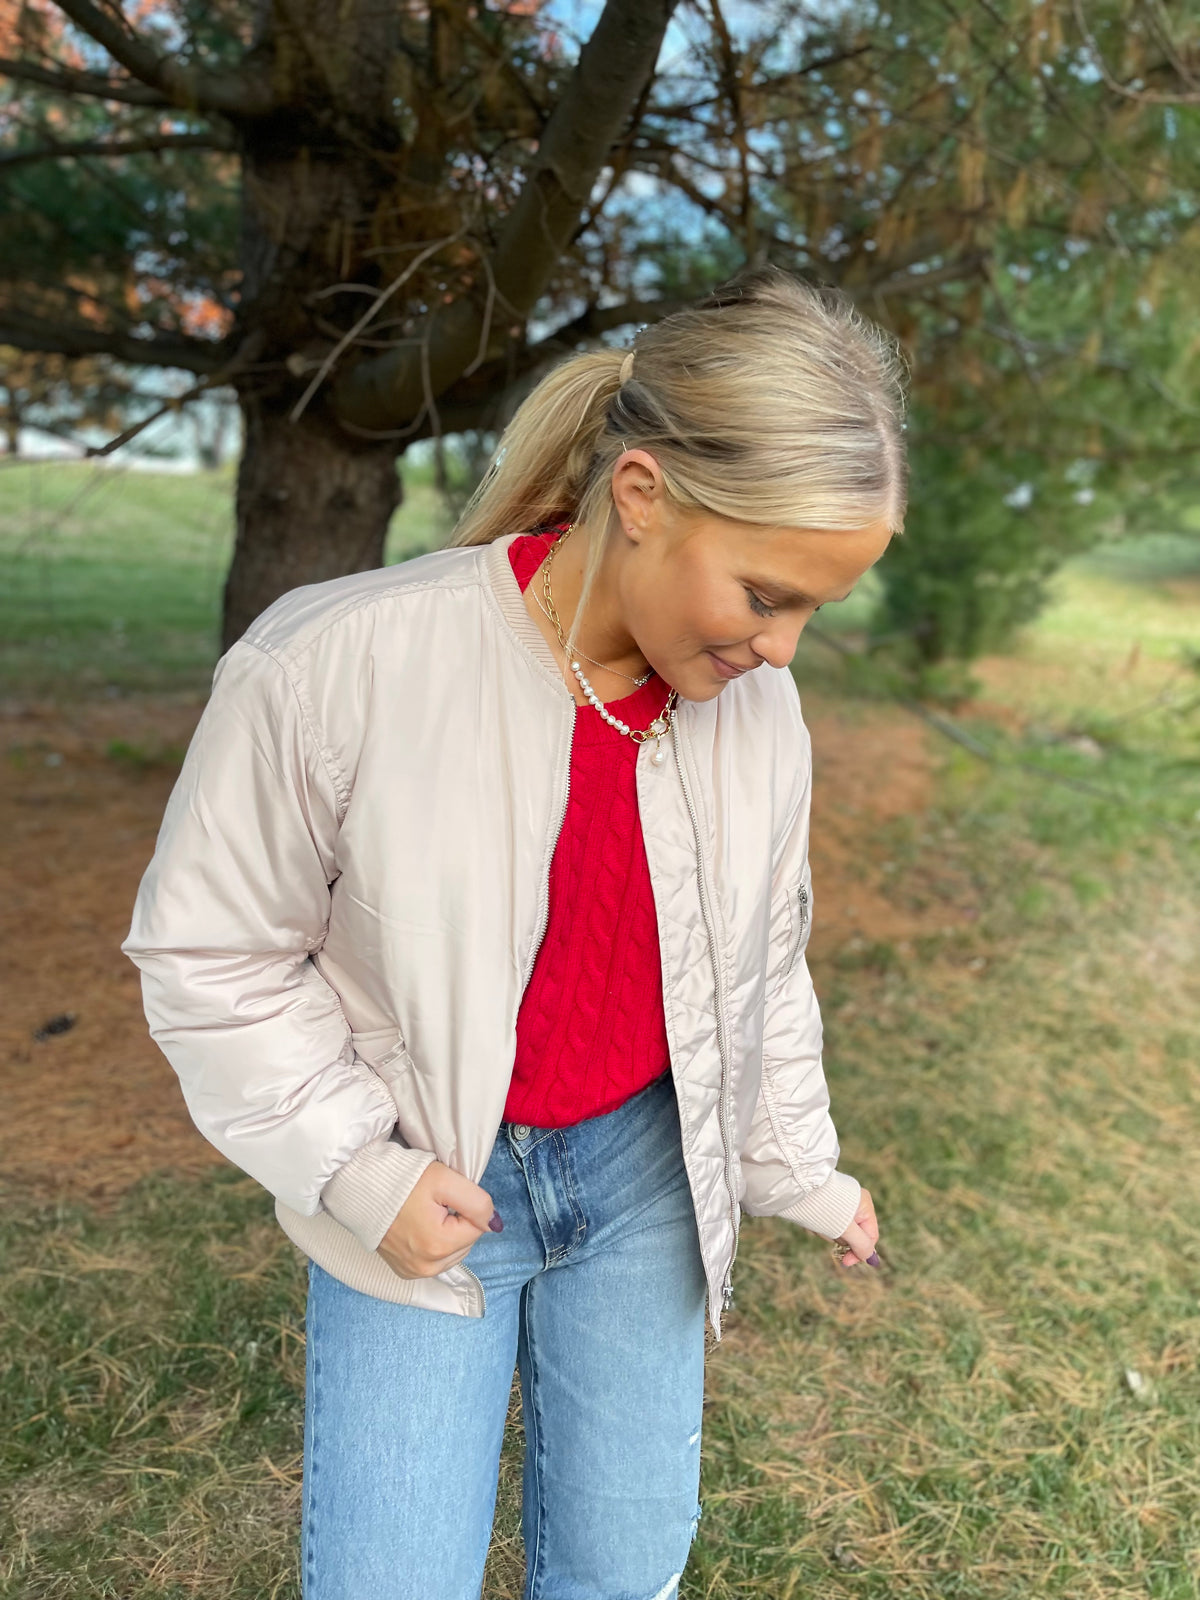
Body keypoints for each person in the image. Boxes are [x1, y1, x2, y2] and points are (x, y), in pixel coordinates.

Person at [120, 263, 906, 1600]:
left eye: (817, 610)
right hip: (424, 1188)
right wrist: (363, 1173)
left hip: (645, 1180)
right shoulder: (339, 665)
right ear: (645, 497)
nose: (784, 652)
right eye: (768, 595)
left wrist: (796, 1165)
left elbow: (760, 966)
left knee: (622, 1565)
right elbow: (212, 956)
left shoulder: (758, 718)